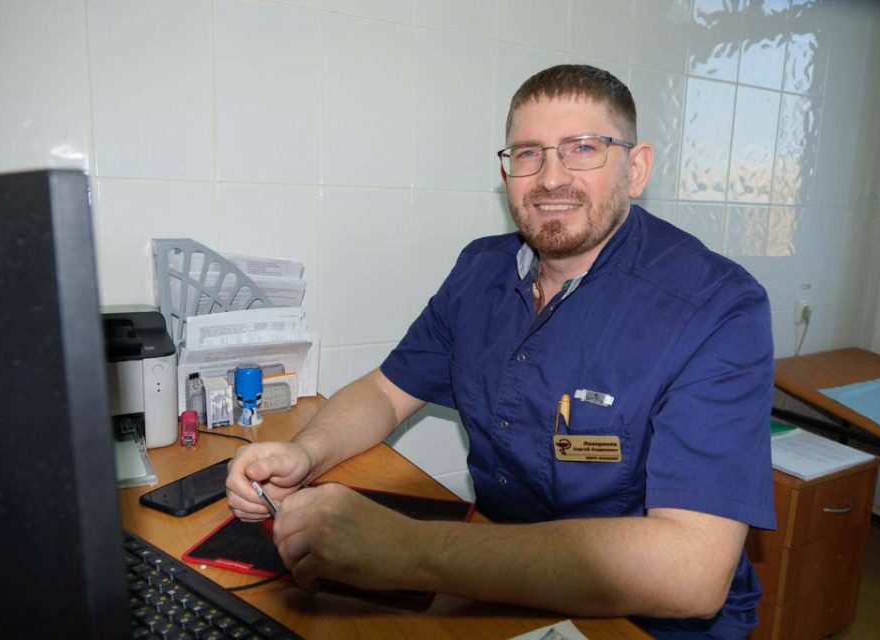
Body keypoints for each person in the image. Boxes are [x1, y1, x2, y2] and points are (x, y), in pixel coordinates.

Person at [226, 64, 775, 638]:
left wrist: (407, 549)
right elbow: (386, 393)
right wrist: (306, 454)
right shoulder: (482, 269)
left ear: (635, 169)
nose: (551, 178)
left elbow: (693, 571)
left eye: (583, 148)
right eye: (528, 153)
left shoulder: (717, 308)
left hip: (647, 624)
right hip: (498, 582)